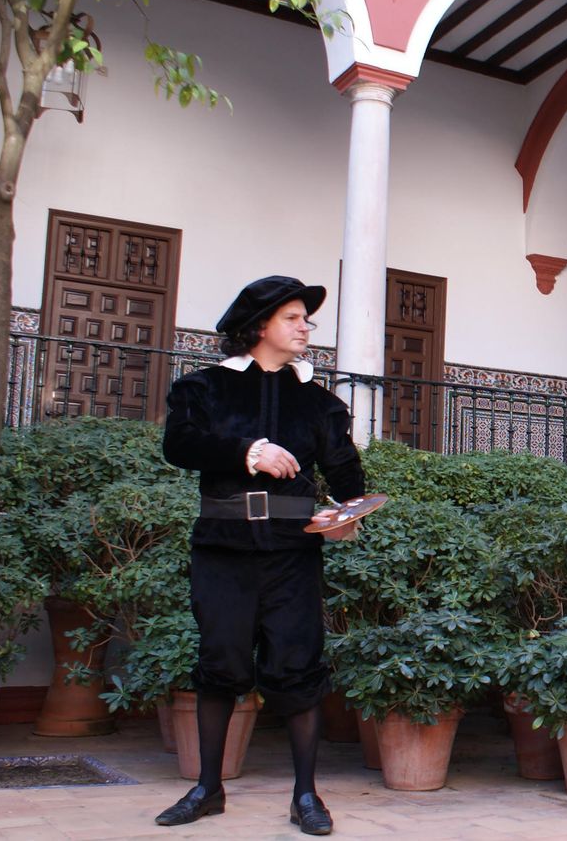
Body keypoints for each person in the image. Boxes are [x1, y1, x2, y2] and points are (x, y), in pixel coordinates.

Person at [155, 275, 366, 836]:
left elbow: (348, 478)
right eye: (294, 318)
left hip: (293, 552)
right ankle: (207, 788)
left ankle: (306, 796)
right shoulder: (202, 388)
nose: (305, 328)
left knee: (298, 665)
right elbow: (178, 445)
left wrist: (345, 518)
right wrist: (248, 450)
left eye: (306, 319)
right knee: (220, 662)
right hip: (222, 549)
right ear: (260, 326)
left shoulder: (320, 403)